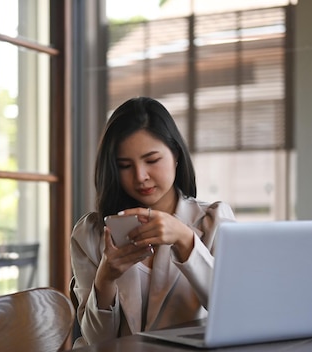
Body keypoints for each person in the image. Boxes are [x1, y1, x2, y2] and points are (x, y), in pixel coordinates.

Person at [70, 96, 236, 346]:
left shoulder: (212, 221)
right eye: (125, 165)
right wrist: (106, 277)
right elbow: (96, 341)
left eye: (152, 160)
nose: (140, 176)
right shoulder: (91, 233)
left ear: (176, 155)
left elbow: (234, 309)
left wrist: (185, 240)